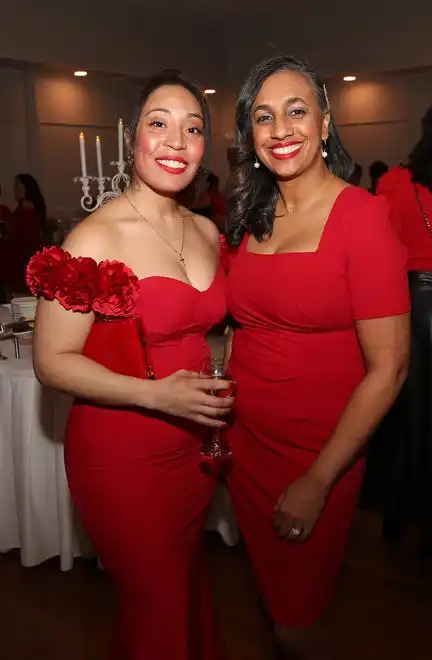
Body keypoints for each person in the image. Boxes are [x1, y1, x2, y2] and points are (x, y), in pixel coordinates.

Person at [28, 70, 233, 660]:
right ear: (131, 137)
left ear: (204, 146)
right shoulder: (92, 238)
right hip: (122, 455)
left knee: (185, 593)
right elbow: (51, 362)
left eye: (192, 129)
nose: (176, 141)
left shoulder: (206, 232)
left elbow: (208, 328)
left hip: (194, 451)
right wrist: (155, 396)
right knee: (158, 608)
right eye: (159, 124)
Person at [224, 55, 410, 659]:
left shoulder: (362, 217)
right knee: (274, 603)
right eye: (264, 116)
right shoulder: (251, 218)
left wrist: (318, 480)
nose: (281, 129)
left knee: (297, 624)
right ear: (250, 136)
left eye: (296, 111)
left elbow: (390, 369)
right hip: (246, 446)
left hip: (319, 453)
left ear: (326, 123)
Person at [370, 92, 432, 561]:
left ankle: (396, 511)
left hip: (410, 305)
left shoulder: (393, 183)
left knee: (406, 416)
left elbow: (380, 252)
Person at [0, 173, 44, 295]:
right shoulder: (22, 206)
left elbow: (24, 233)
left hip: (23, 255)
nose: (15, 189)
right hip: (20, 254)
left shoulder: (28, 208)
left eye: (18, 186)